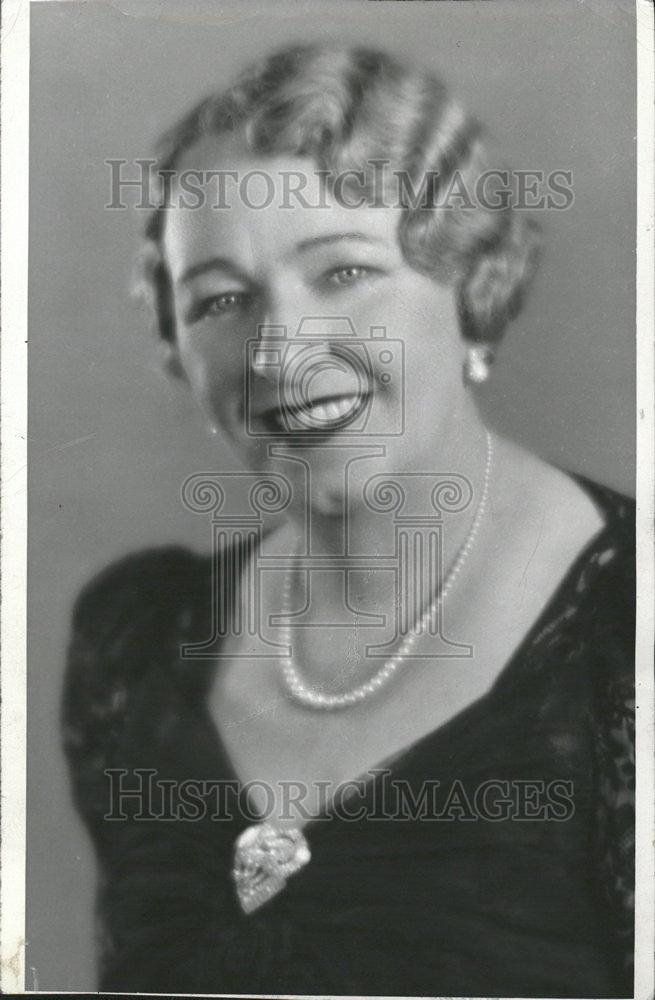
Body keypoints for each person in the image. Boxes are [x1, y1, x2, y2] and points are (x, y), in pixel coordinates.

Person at [62, 43, 635, 996]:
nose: (281, 353)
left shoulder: (629, 635)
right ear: (176, 345)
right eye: (221, 301)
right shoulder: (133, 643)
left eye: (341, 274)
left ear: (473, 288)